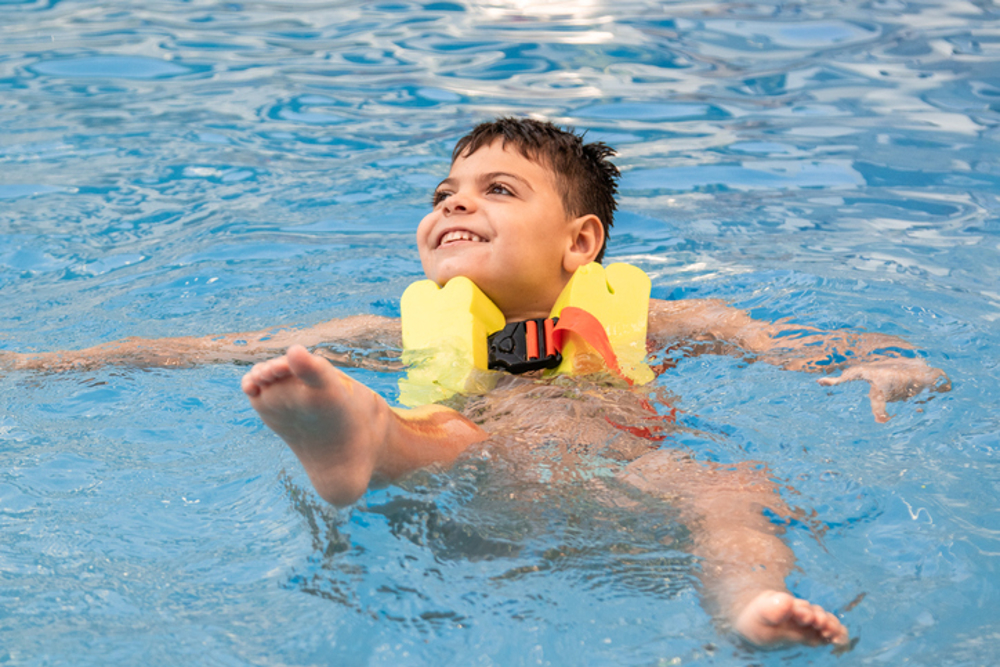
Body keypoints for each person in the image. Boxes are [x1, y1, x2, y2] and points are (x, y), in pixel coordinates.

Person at [3, 118, 949, 648]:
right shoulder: (383, 331)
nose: (457, 201)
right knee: (454, 433)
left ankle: (749, 607)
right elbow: (205, 344)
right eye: (445, 193)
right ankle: (361, 440)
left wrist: (879, 361)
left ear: (581, 243)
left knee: (732, 492)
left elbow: (798, 342)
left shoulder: (660, 320)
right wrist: (42, 362)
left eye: (499, 190)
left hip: (622, 489)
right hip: (468, 474)